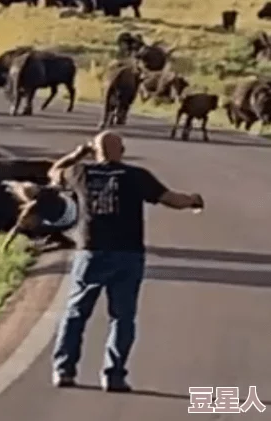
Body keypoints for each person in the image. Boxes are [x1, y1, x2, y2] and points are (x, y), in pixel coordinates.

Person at [51, 130, 204, 392]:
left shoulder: (80, 173)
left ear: (95, 152)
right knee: (122, 318)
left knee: (76, 313)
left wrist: (78, 153)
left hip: (92, 252)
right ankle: (114, 376)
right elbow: (171, 200)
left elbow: (54, 172)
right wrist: (193, 200)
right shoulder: (136, 176)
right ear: (121, 151)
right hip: (128, 253)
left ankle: (64, 370)